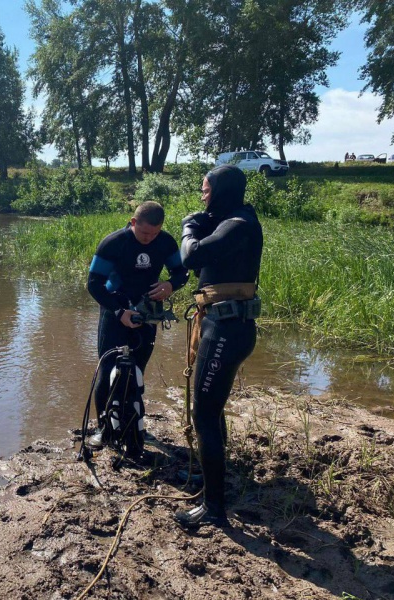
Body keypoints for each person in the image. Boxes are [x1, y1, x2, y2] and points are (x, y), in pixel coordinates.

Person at [174, 164, 263, 528]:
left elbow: (191, 256)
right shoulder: (233, 220)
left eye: (206, 190)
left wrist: (189, 228)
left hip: (226, 329)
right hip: (222, 323)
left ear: (222, 191)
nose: (202, 196)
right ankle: (209, 478)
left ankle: (214, 509)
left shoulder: (239, 225)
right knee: (212, 408)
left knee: (205, 414)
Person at [86, 201, 189, 450]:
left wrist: (170, 285)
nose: (149, 238)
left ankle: (132, 422)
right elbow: (94, 283)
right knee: (108, 370)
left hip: (147, 314)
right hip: (115, 312)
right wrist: (119, 311)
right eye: (144, 233)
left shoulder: (165, 242)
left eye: (154, 233)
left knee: (137, 371)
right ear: (133, 223)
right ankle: (104, 429)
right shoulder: (113, 243)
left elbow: (182, 272)